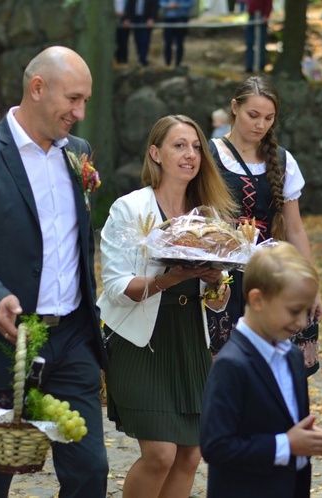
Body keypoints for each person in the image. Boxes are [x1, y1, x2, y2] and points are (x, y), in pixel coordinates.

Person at [0, 46, 108, 498]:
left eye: (84, 100)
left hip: (72, 336)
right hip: (5, 343)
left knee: (90, 471)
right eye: (73, 99)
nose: (80, 112)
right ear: (37, 88)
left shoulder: (79, 155)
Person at [97, 114, 237, 498]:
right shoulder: (129, 209)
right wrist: (170, 278)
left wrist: (215, 283)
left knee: (190, 456)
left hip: (190, 341)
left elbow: (218, 295)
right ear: (155, 153)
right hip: (141, 341)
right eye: (179, 145)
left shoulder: (207, 214)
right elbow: (115, 288)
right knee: (160, 454)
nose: (190, 154)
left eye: (195, 147)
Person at [200, 242, 322, 498]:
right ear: (257, 300)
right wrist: (287, 445)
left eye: (305, 311)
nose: (301, 323)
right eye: (294, 311)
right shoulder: (231, 365)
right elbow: (216, 447)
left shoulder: (292, 357)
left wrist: (305, 439)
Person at [206, 76, 322, 375]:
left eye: (269, 118)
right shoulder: (207, 155)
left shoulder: (283, 161)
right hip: (221, 278)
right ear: (235, 107)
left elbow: (295, 229)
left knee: (273, 372)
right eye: (253, 115)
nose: (260, 125)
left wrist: (312, 286)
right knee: (226, 376)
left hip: (270, 273)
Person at [124, 0, 158, 68]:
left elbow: (154, 7)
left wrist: (151, 18)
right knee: (137, 40)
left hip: (146, 19)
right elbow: (129, 7)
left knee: (145, 40)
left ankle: (142, 59)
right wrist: (127, 19)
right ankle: (140, 58)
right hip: (136, 19)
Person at [160, 0, 194, 68]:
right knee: (168, 42)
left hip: (182, 18)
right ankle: (167, 64)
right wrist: (168, 5)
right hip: (169, 18)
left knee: (180, 42)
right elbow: (161, 2)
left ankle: (178, 64)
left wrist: (179, 5)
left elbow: (190, 3)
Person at [244, 0, 273, 73]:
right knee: (249, 43)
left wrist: (266, 15)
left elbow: (268, 3)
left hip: (260, 17)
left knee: (261, 43)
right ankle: (249, 66)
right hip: (251, 16)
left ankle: (260, 66)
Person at [115, 0, 131, 68]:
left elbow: (130, 7)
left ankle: (124, 61)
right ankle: (117, 61)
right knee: (115, 43)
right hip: (113, 22)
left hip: (124, 22)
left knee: (124, 42)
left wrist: (127, 18)